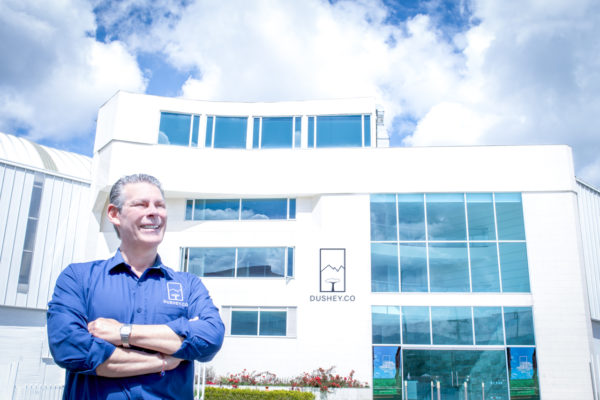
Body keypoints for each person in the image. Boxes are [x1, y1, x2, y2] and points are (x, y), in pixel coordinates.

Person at [47, 174, 224, 399]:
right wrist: (164, 361)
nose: (154, 212)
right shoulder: (79, 278)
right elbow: (71, 350)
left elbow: (210, 339)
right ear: (114, 214)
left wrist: (123, 333)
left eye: (160, 205)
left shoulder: (188, 285)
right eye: (141, 204)